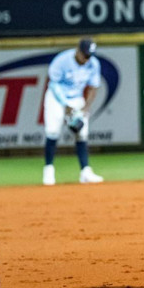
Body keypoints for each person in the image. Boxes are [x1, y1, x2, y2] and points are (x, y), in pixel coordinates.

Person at [42, 38, 104, 185]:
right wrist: (65, 105)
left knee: (82, 133)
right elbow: (54, 84)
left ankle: (85, 172)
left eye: (90, 55)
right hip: (56, 98)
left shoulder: (93, 64)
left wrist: (85, 108)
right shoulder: (62, 61)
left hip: (76, 98)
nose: (87, 58)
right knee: (52, 132)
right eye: (85, 55)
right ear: (78, 51)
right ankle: (48, 171)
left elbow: (93, 87)